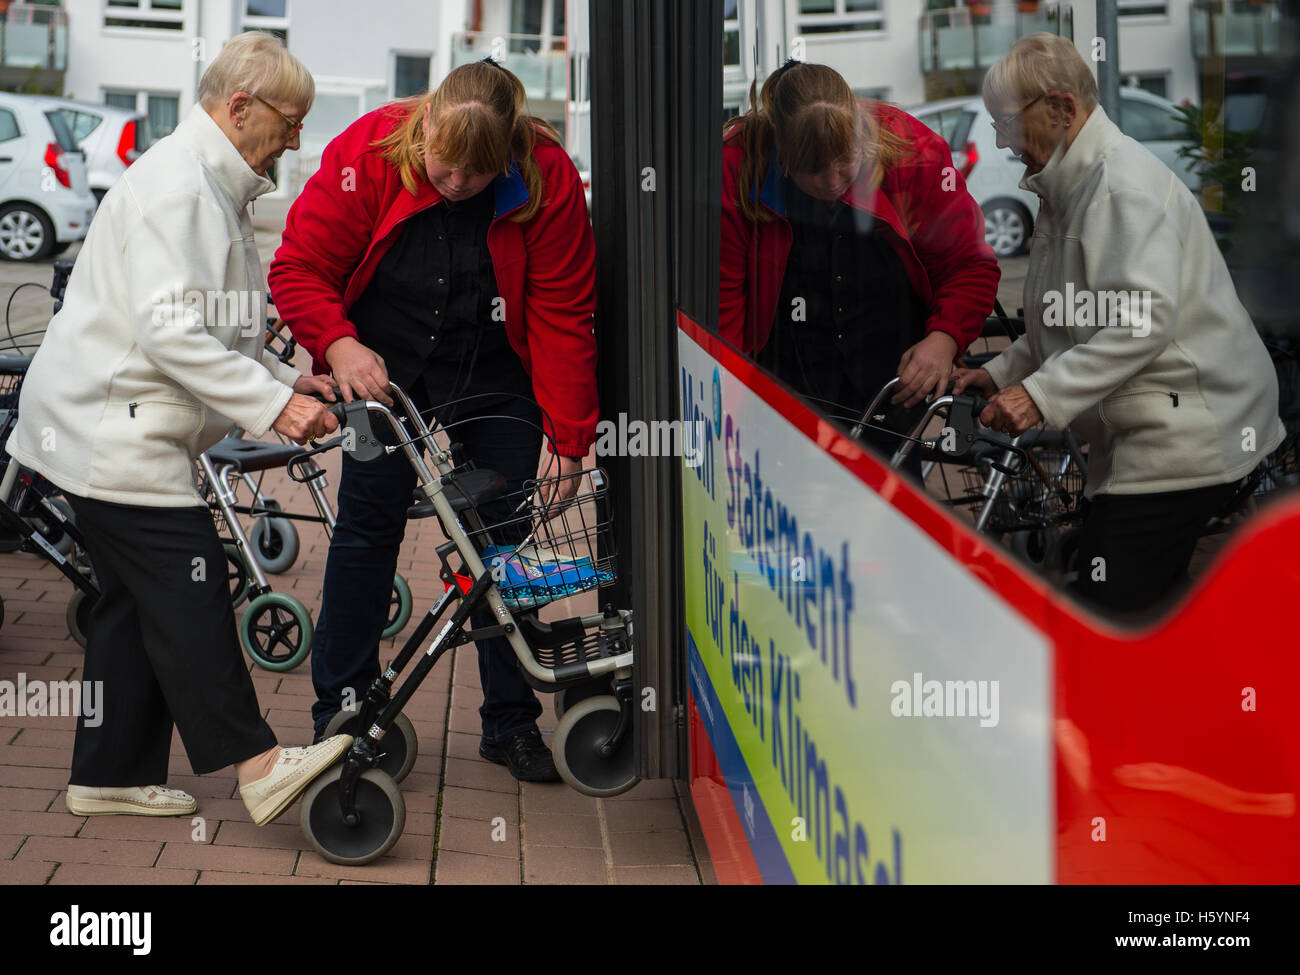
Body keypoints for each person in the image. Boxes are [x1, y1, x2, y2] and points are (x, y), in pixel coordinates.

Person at [3, 32, 352, 824]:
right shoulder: (182, 188)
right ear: (239, 107)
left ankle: (110, 772)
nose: (299, 135)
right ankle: (261, 765)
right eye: (291, 118)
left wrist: (283, 378)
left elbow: (213, 327)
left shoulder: (206, 180)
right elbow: (171, 334)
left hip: (114, 425)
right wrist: (274, 405)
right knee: (190, 588)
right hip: (110, 434)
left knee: (131, 606)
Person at [268, 58, 597, 781]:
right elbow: (297, 266)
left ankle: (510, 722)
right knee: (366, 528)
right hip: (382, 366)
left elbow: (564, 312)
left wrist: (571, 436)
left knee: (503, 537)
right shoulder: (370, 151)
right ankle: (343, 710)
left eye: (472, 180)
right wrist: (339, 339)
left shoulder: (547, 175)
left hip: (495, 369)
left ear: (506, 157)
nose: (453, 187)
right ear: (425, 135)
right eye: (442, 170)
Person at [951, 33, 1286, 616]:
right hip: (1152, 431)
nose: (1002, 142)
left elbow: (1139, 321)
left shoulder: (1118, 188)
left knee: (1106, 614)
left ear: (1061, 108)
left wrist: (1037, 395)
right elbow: (1073, 316)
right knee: (1141, 598)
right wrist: (1002, 370)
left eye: (1006, 123)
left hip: (1186, 437)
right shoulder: (1071, 186)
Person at [720, 59, 1000, 459]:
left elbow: (969, 264)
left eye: (844, 163)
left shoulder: (912, 151)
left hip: (890, 374)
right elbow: (724, 310)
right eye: (812, 170)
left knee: (892, 500)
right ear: (780, 146)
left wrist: (944, 339)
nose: (832, 182)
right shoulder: (737, 166)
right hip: (785, 376)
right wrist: (728, 417)